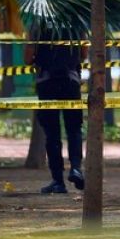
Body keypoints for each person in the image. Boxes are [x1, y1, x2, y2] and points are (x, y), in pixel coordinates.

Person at [25, 31, 85, 194]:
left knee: (52, 135)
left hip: (47, 83)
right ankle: (76, 168)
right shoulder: (75, 22)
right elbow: (84, 53)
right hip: (71, 82)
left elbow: (28, 58)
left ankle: (58, 181)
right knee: (74, 129)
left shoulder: (38, 24)